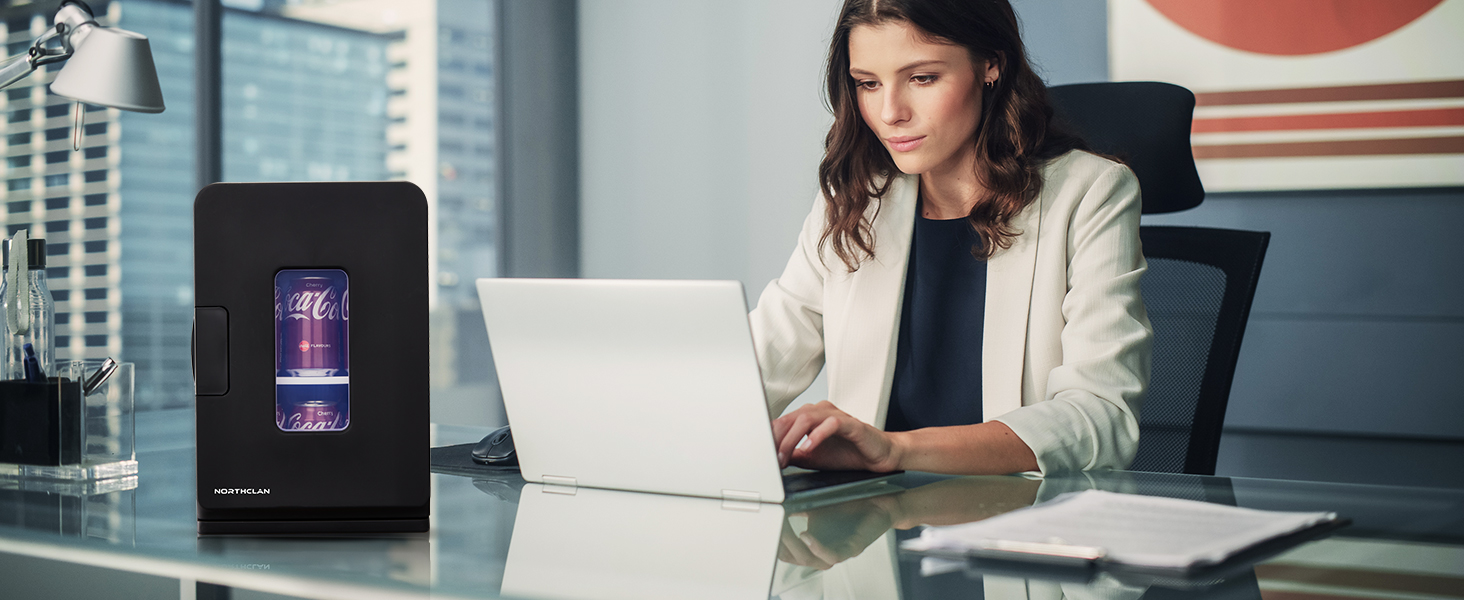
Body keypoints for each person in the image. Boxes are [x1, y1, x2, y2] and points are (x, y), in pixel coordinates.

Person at [752, 0, 1152, 476]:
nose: (890, 112)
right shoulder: (855, 198)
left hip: (1017, 526)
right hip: (873, 533)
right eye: (868, 84)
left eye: (922, 78)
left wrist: (896, 451)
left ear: (990, 65)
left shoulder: (1091, 192)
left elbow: (1100, 417)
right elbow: (756, 366)